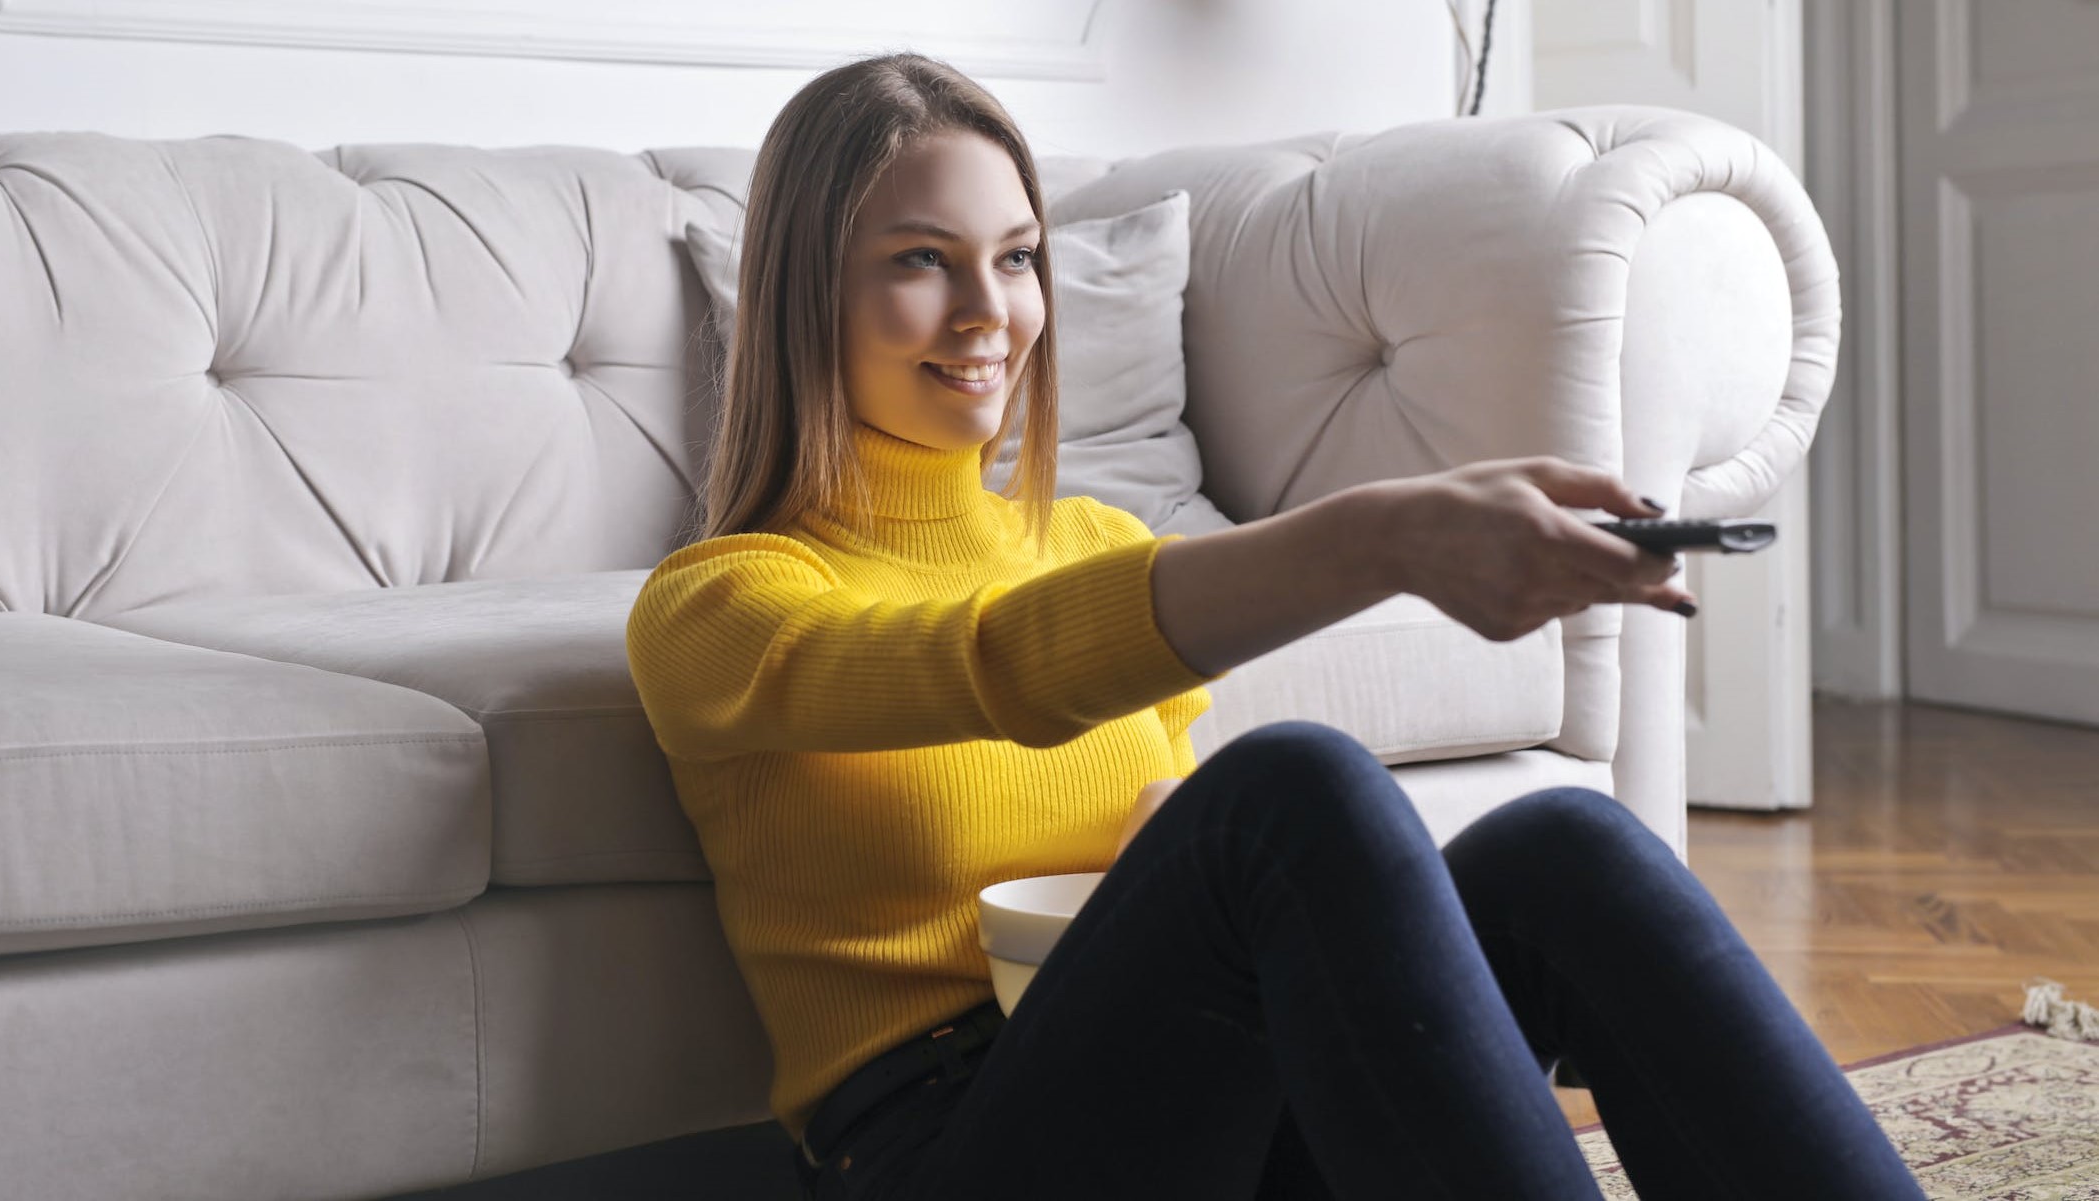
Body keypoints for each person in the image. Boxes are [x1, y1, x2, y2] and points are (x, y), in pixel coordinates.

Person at [624, 52, 1926, 1201]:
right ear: (806, 289)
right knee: (1285, 789)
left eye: (1016, 256)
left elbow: (1159, 876)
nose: (989, 312)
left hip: (1210, 1126)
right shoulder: (719, 609)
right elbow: (1000, 664)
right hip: (948, 1146)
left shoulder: (1095, 546)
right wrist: (1386, 534)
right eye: (920, 259)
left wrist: (1160, 851)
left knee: (1563, 849)